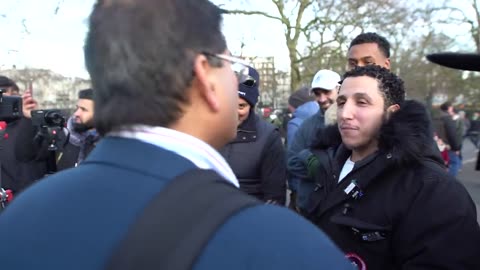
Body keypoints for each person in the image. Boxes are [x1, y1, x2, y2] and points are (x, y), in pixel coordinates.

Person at [0, 1, 353, 269]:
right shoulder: (284, 248)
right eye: (232, 67)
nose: (237, 83)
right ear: (204, 76)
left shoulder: (20, 218)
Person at [290, 65, 480, 269]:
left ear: (391, 114)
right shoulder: (327, 163)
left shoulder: (434, 190)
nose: (345, 113)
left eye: (361, 102)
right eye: (342, 102)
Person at [219, 67, 287, 205]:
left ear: (251, 105)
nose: (233, 112)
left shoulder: (268, 137)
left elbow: (275, 195)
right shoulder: (207, 130)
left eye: (241, 106)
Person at [16, 88, 99, 172]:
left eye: (84, 110)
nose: (76, 113)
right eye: (77, 108)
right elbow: (26, 156)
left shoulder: (106, 145)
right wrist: (28, 119)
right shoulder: (61, 136)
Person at [427, 52, 480, 171]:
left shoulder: (435, 116)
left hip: (439, 145)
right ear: (449, 108)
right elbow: (453, 133)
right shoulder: (447, 119)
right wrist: (456, 147)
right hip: (447, 146)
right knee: (452, 165)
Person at [0, 76, 47, 194]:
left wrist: (29, 118)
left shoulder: (29, 124)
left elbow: (28, 153)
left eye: (15, 95)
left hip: (23, 198)